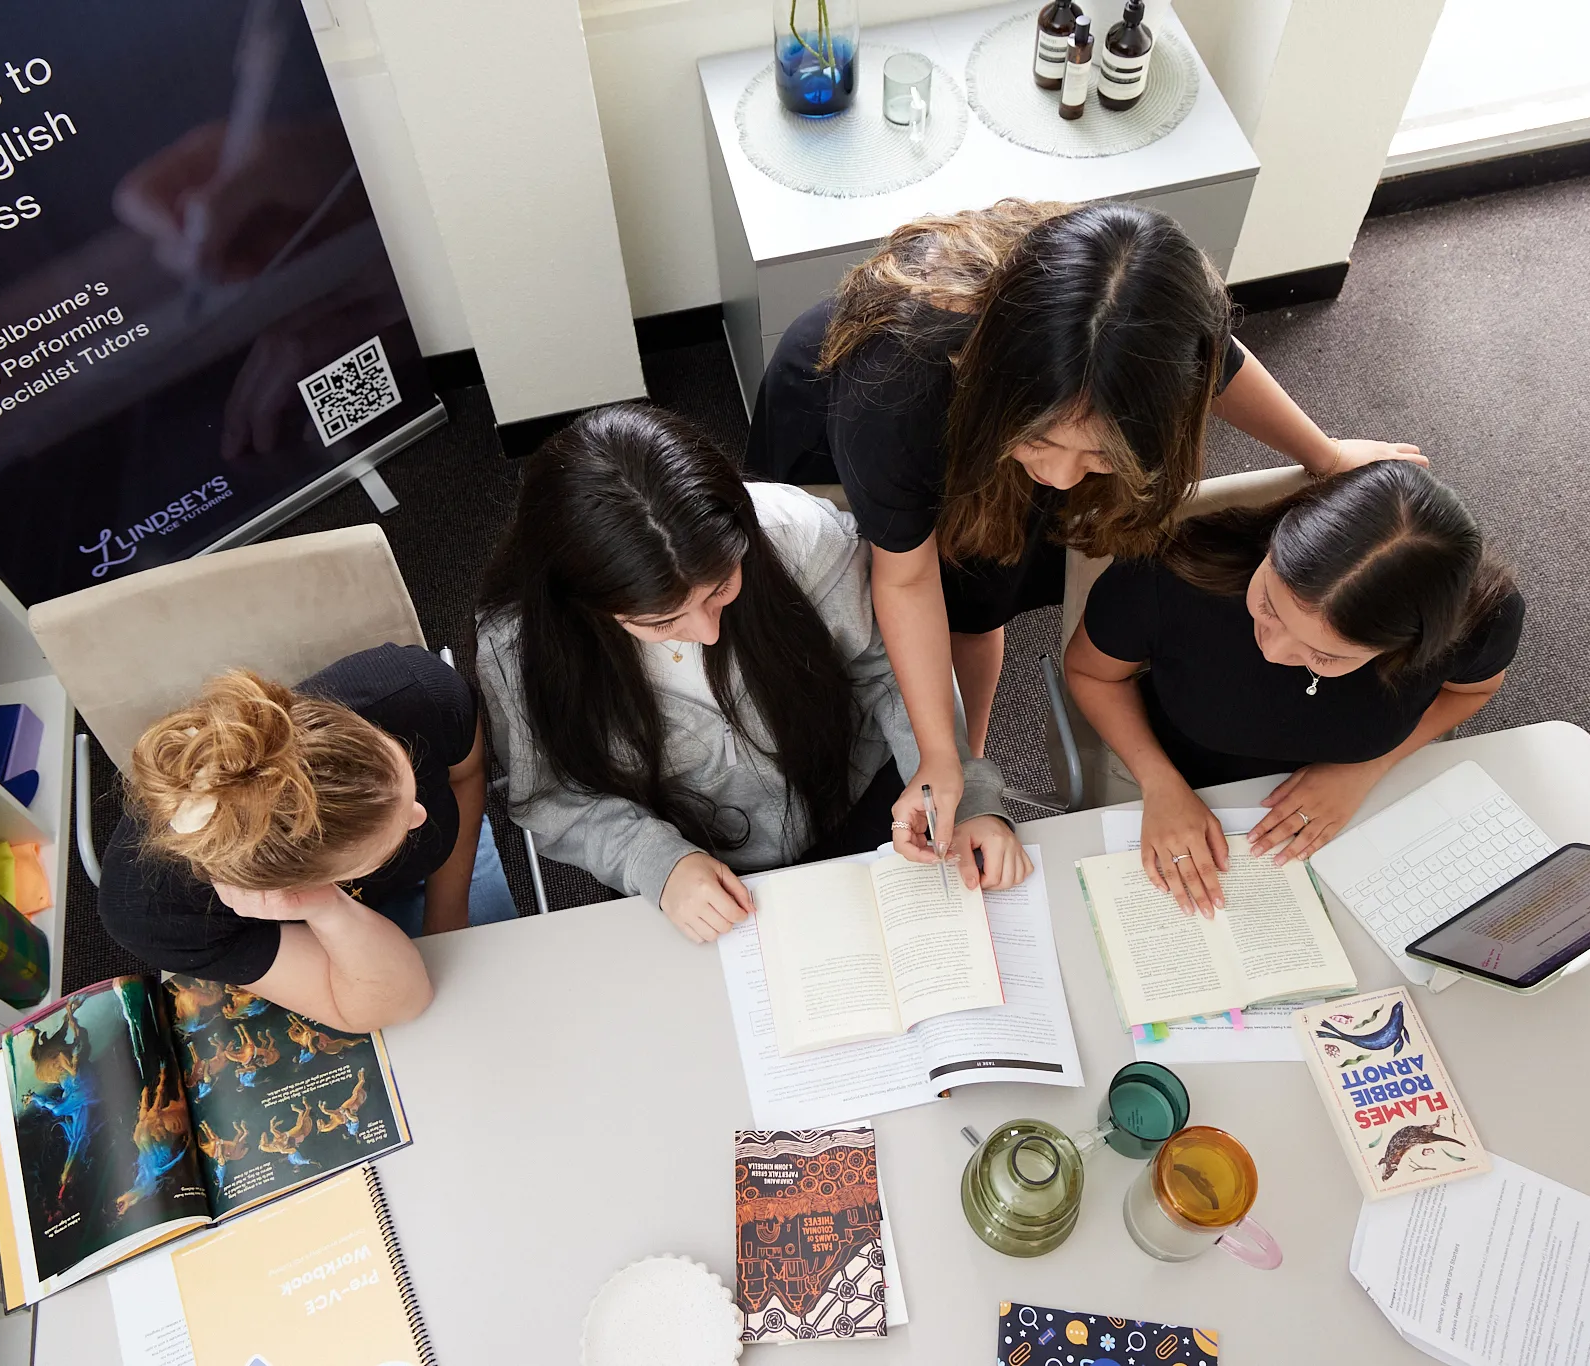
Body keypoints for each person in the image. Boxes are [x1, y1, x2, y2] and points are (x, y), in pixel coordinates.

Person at [746, 198, 1424, 868]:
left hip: (1000, 433)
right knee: (872, 603)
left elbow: (1218, 364)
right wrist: (938, 757)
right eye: (1045, 443)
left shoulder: (1155, 317)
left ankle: (968, 756)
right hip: (852, 435)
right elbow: (908, 576)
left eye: (1101, 457)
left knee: (982, 604)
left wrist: (1323, 454)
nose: (1064, 482)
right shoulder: (897, 387)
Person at [477, 404, 1029, 944]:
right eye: (663, 620)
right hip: (692, 862)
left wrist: (967, 796)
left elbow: (895, 668)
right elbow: (551, 796)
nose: (708, 633)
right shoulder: (519, 648)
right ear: (582, 604)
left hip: (864, 802)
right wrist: (656, 863)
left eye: (721, 588)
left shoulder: (797, 538)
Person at [1063, 461, 1525, 918]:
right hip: (1179, 780)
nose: (1273, 649)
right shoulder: (1170, 574)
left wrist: (1364, 769)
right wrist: (1159, 782)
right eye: (1268, 603)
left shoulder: (1483, 618)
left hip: (1357, 809)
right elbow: (1091, 672)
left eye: (1324, 656)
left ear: (1412, 648)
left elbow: (1470, 691)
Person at [97, 647, 518, 1030]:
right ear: (296, 884)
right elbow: (397, 1004)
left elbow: (464, 778)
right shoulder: (153, 913)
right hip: (305, 930)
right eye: (385, 842)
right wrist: (325, 909)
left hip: (434, 867)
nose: (421, 814)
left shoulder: (416, 690)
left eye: (403, 764)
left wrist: (447, 918)